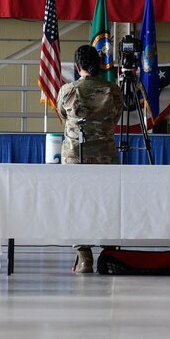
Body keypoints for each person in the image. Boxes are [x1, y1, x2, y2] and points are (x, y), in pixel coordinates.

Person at [58, 44, 122, 273]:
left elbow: (63, 117)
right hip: (105, 155)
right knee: (106, 202)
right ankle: (110, 253)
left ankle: (84, 257)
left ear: (77, 66)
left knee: (77, 204)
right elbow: (115, 118)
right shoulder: (113, 90)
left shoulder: (67, 90)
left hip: (76, 156)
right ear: (98, 64)